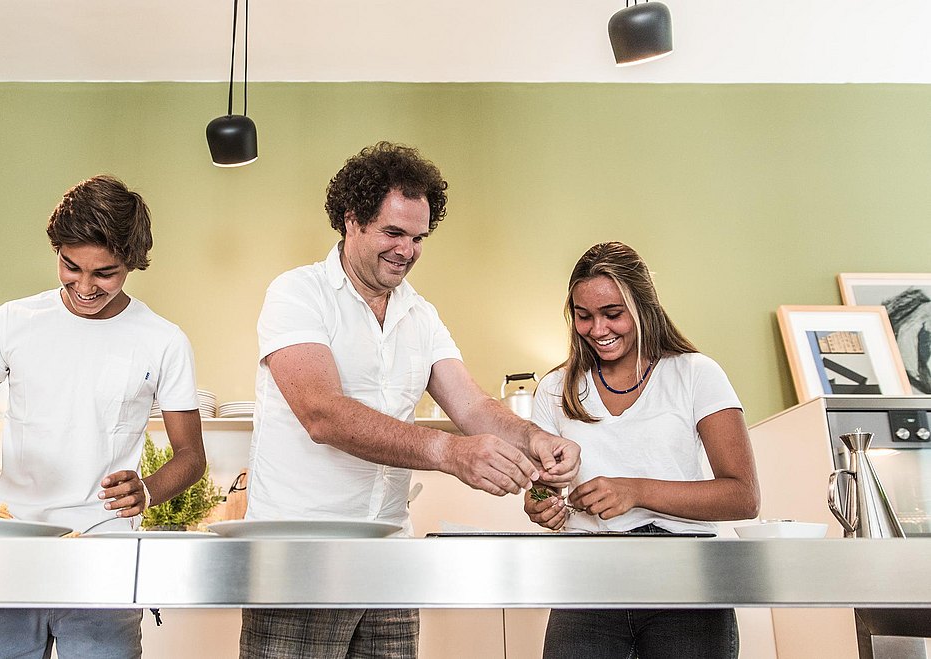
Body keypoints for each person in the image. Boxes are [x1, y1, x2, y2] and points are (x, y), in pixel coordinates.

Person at [240, 141, 581, 659]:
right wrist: (448, 454)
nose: (407, 250)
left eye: (419, 237)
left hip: (391, 555)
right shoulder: (297, 294)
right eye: (393, 233)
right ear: (351, 221)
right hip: (301, 558)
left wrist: (537, 438)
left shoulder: (419, 315)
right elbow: (322, 414)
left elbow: (470, 405)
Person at [0, 175, 206, 659]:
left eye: (105, 273)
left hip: (103, 554)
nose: (85, 287)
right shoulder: (14, 321)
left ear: (131, 263)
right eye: (71, 267)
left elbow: (191, 456)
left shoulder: (163, 340)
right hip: (10, 547)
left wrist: (149, 489)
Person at [523, 241, 760, 659]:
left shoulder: (695, 374)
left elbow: (743, 496)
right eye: (584, 316)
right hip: (587, 581)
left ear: (644, 307)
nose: (598, 329)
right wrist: (541, 503)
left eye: (612, 314)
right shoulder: (554, 389)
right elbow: (543, 489)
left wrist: (636, 491)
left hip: (686, 582)